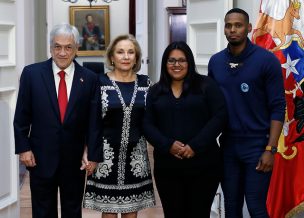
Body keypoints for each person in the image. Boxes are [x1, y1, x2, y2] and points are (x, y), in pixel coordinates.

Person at [14, 23, 102, 218]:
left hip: (75, 160)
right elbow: (21, 116)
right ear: (50, 47)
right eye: (57, 46)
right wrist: (23, 149)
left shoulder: (89, 79)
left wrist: (94, 155)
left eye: (68, 47)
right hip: (40, 158)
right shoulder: (31, 74)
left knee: (72, 210)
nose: (62, 52)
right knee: (42, 211)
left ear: (77, 48)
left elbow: (94, 122)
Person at [208, 8, 286, 218]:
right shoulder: (215, 62)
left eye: (238, 25)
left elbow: (278, 106)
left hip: (258, 146)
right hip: (228, 146)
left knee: (255, 207)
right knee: (232, 207)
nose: (233, 30)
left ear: (249, 28)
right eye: (228, 25)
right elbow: (210, 105)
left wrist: (270, 149)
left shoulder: (266, 61)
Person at [143, 41, 228, 218]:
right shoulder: (155, 91)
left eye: (182, 60)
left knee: (199, 213)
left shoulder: (206, 86)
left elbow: (220, 116)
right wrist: (168, 145)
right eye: (171, 60)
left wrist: (195, 146)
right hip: (167, 167)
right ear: (165, 64)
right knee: (173, 214)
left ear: (189, 62)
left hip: (204, 165)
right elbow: (147, 124)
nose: (176, 65)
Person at [83, 34, 155, 218]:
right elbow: (89, 120)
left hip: (136, 158)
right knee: (109, 213)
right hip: (105, 157)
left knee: (132, 212)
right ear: (112, 57)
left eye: (131, 52)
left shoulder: (146, 83)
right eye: (120, 52)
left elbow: (154, 119)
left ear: (137, 57)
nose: (126, 56)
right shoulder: (99, 82)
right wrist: (87, 150)